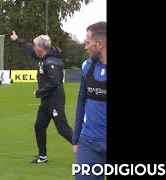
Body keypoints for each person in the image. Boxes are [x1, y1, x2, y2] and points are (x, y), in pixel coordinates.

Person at [10, 31, 73, 163]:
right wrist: (17, 40)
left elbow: (54, 82)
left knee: (62, 129)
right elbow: (29, 49)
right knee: (39, 126)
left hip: (54, 100)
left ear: (41, 47)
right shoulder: (42, 57)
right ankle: (42, 157)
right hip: (46, 100)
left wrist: (39, 92)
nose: (33, 48)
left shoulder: (51, 61)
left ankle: (89, 151)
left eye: (35, 46)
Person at [72, 22, 107, 180]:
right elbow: (81, 103)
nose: (85, 47)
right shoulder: (87, 67)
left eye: (87, 42)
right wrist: (76, 139)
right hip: (89, 142)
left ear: (99, 44)